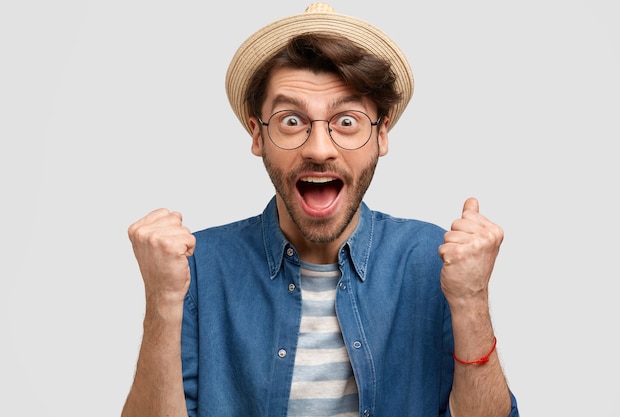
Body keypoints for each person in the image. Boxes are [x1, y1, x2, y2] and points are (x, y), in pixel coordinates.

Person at [121, 3, 519, 417]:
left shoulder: (432, 262)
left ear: (381, 134)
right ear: (257, 134)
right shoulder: (197, 268)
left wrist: (471, 299)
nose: (319, 149)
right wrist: (163, 300)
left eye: (346, 122)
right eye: (291, 121)